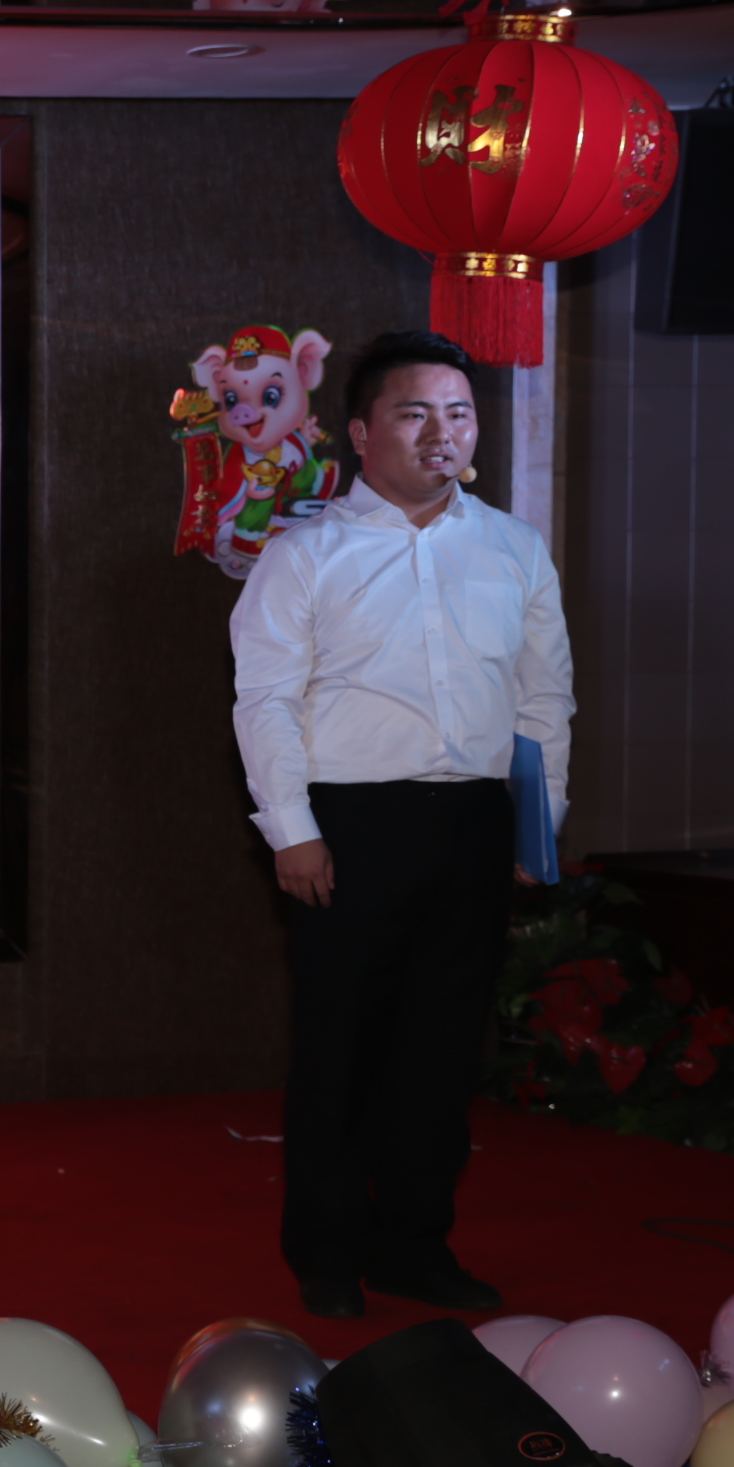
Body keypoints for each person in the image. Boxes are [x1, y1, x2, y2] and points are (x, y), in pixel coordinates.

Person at [230, 330, 572, 1320]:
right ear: (361, 432)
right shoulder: (305, 555)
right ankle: (328, 1252)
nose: (441, 433)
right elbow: (265, 701)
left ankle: (416, 1246)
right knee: (340, 1046)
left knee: (442, 1048)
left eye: (458, 413)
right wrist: (292, 830)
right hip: (351, 824)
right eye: (415, 412)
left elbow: (545, 699)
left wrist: (537, 826)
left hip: (475, 820)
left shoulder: (513, 547)